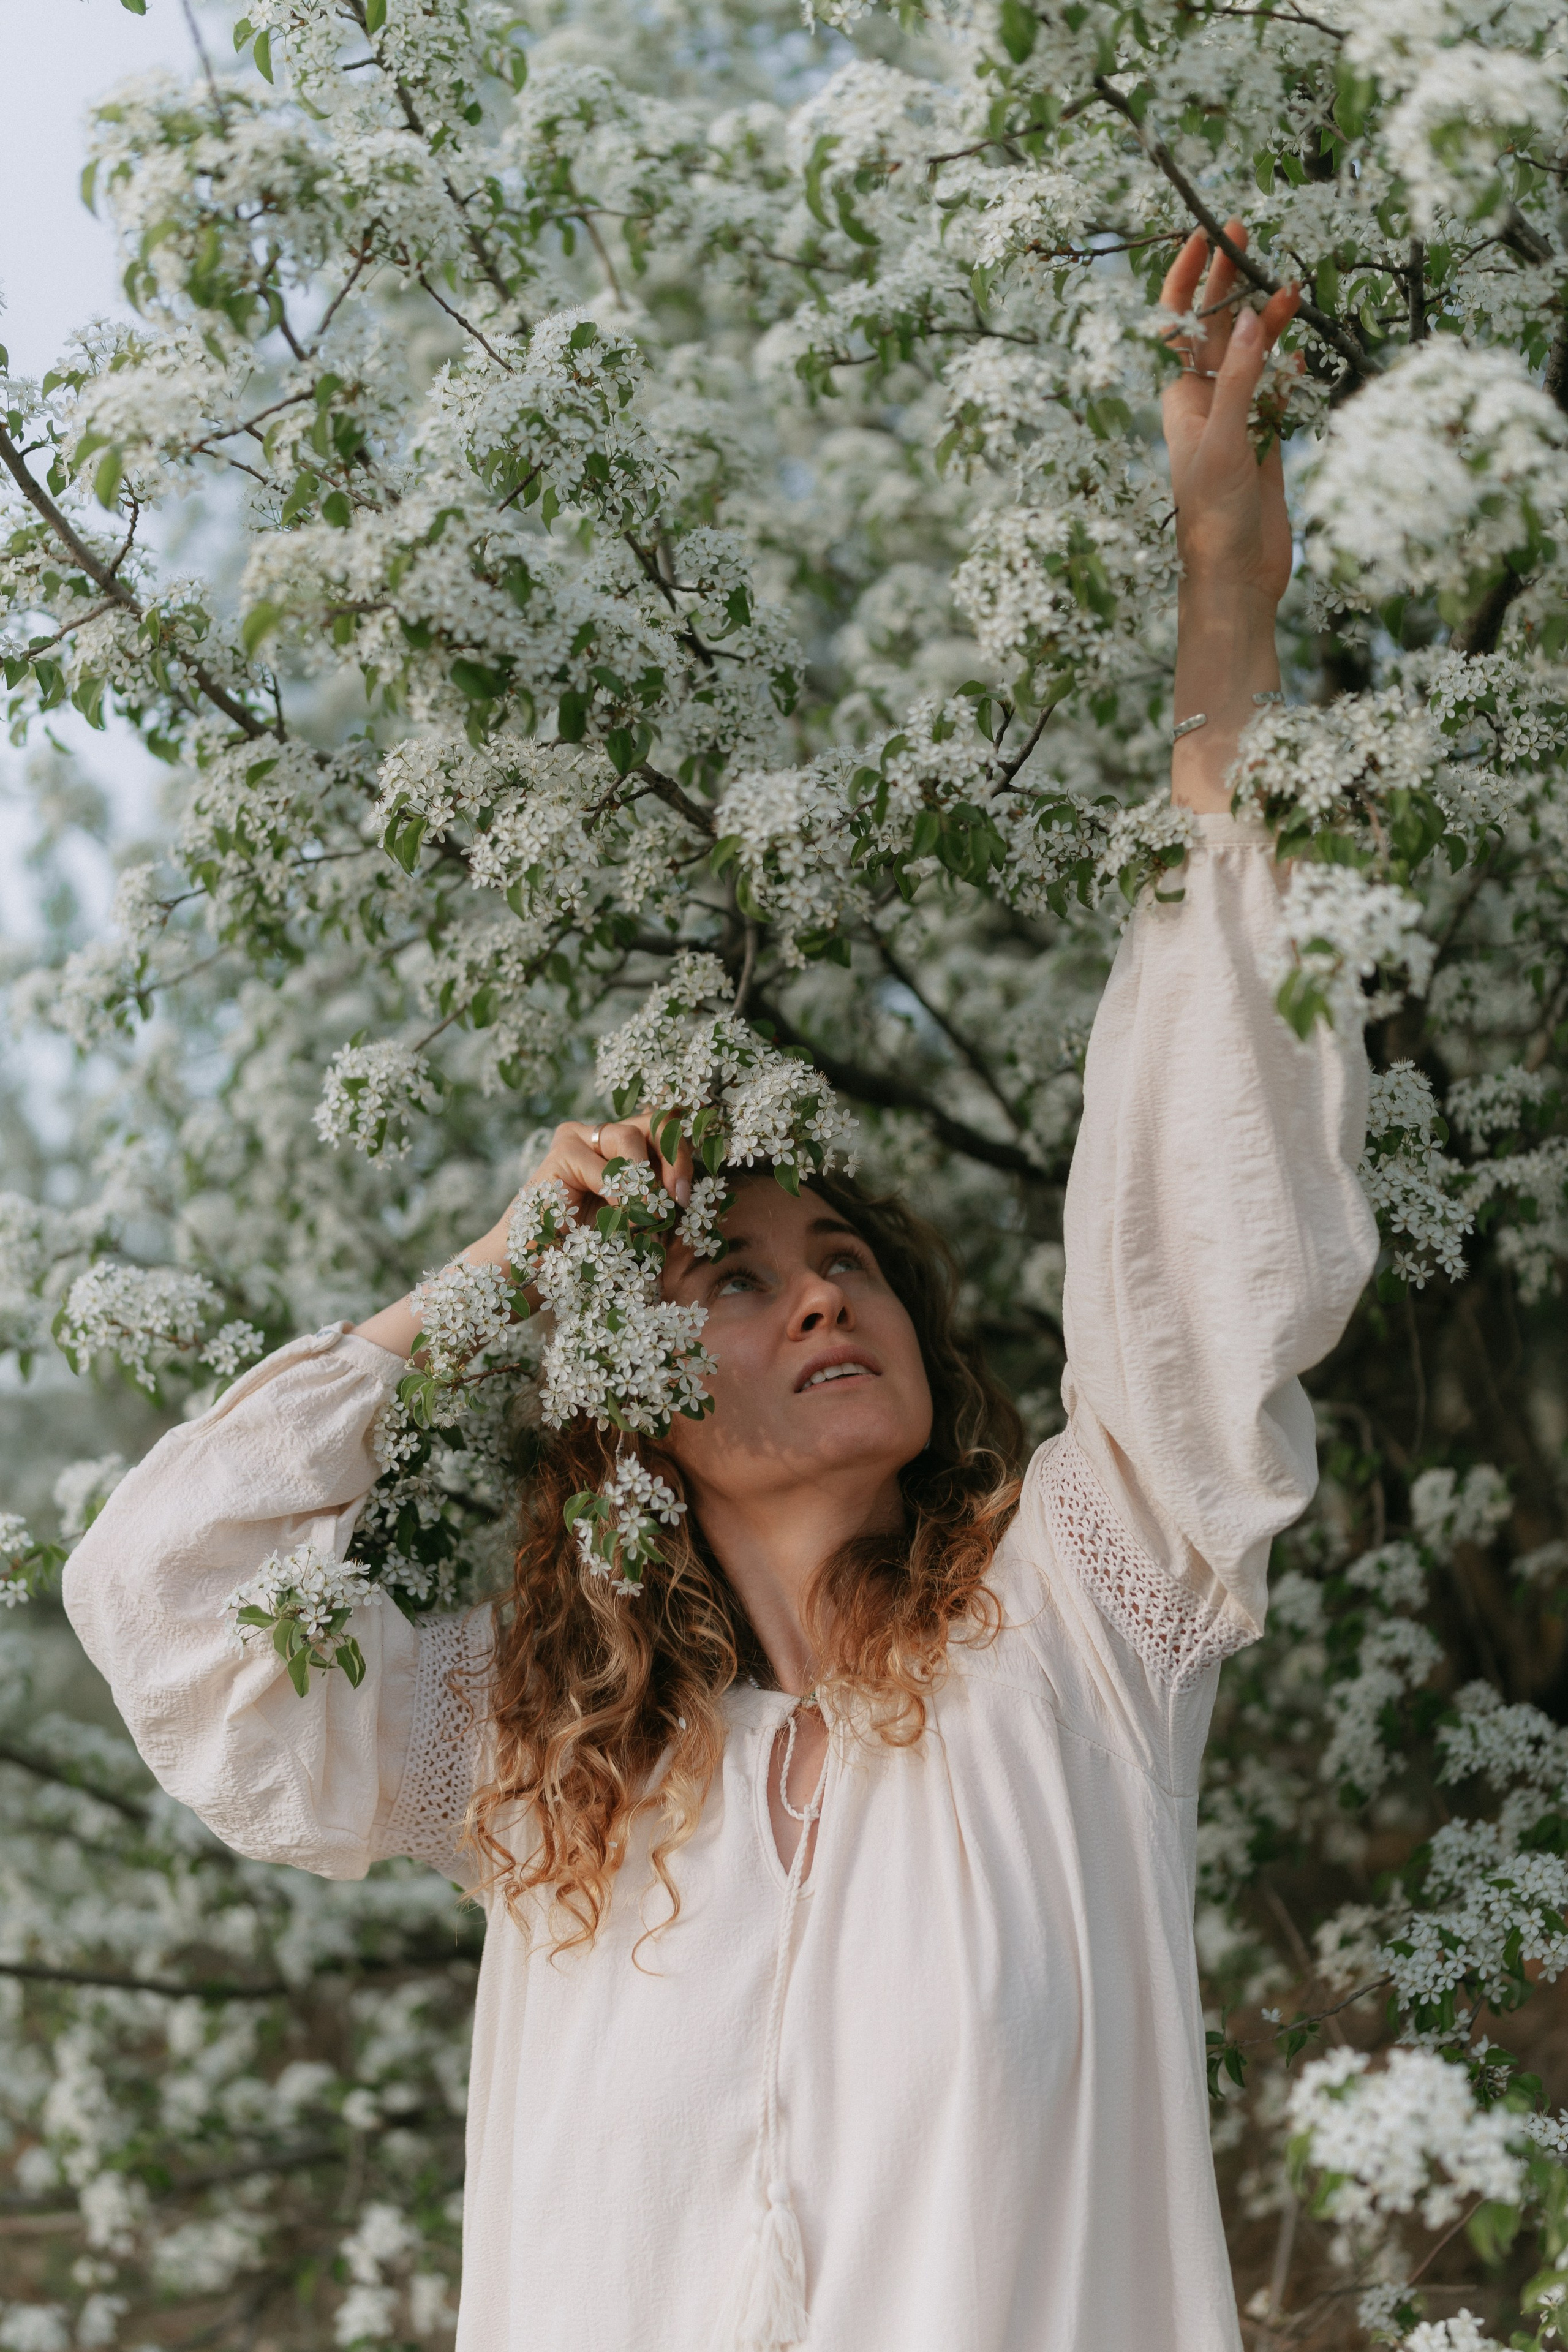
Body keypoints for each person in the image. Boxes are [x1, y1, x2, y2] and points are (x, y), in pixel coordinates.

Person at [64, 223, 1378, 2352]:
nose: (818, 1298)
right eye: (736, 1280)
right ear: (628, 1400)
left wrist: (1225, 617)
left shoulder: (1082, 1630)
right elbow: (164, 1598)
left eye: (841, 1260)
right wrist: (493, 1281)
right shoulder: (538, 1773)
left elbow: (1195, 1205)